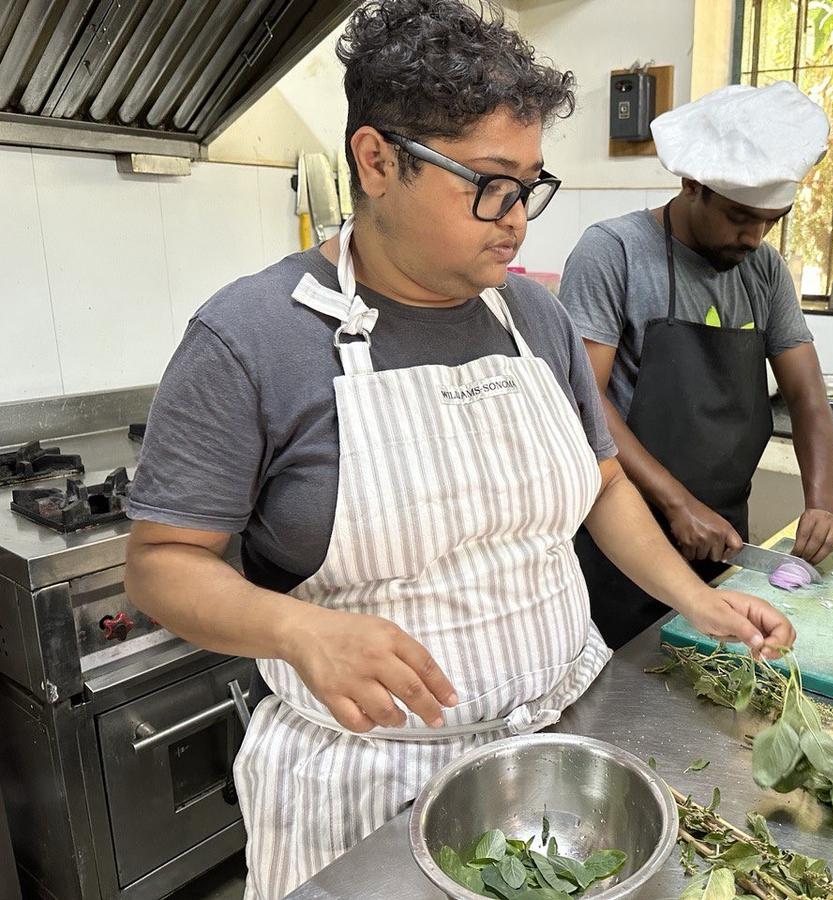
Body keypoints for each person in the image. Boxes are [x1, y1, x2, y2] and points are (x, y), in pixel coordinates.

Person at [123, 3, 793, 896]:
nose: (517, 219)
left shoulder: (536, 318)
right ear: (377, 160)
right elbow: (162, 564)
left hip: (564, 755)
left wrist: (693, 605)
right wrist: (297, 627)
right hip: (368, 785)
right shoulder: (252, 338)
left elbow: (601, 488)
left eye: (530, 185)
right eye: (490, 183)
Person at [559, 81, 833, 648]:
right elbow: (583, 403)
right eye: (741, 217)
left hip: (721, 537)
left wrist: (824, 502)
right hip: (621, 536)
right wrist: (675, 502)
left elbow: (808, 401)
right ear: (692, 184)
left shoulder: (764, 270)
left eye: (772, 220)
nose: (755, 236)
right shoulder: (613, 252)